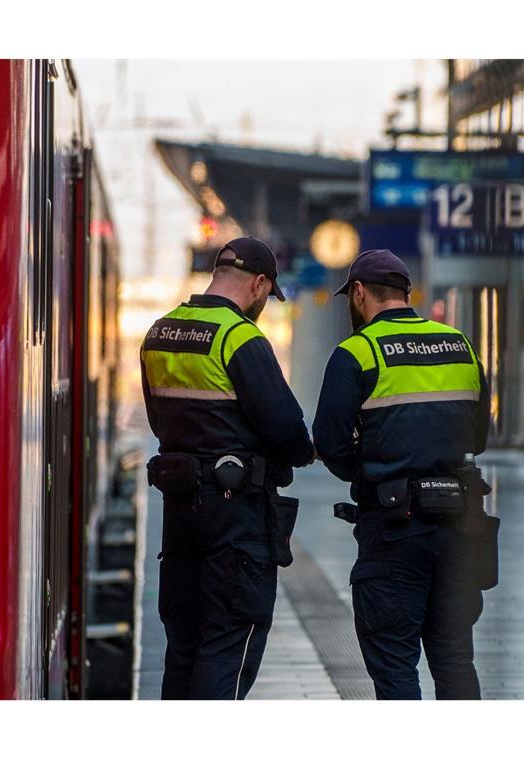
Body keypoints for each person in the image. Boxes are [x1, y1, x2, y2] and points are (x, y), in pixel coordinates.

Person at [140, 236, 316, 700]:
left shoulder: (161, 331)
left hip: (179, 517)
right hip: (235, 520)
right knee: (228, 645)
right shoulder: (240, 339)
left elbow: (158, 420)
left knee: (183, 647)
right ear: (259, 284)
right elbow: (286, 430)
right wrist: (299, 453)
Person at [312, 248, 492, 700]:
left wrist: (375, 474)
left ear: (358, 293)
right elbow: (480, 437)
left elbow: (331, 445)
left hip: (394, 531)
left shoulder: (357, 352)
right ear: (405, 293)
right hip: (458, 526)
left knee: (395, 667)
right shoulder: (458, 344)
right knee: (454, 661)